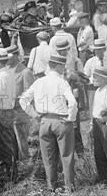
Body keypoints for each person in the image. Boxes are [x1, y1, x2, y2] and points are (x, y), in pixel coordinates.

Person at [19, 54, 77, 193]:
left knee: (48, 157)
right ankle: (69, 188)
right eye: (62, 66)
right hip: (61, 121)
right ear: (58, 66)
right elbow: (73, 102)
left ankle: (52, 187)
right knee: (66, 156)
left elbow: (23, 100)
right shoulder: (61, 82)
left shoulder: (39, 82)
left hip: (44, 122)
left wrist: (35, 115)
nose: (63, 68)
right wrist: (70, 118)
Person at [0, 47, 18, 181]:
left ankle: (9, 173)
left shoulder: (2, 76)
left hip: (2, 111)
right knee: (8, 140)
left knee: (4, 142)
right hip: (8, 110)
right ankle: (10, 170)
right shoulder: (9, 72)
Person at [7, 45, 34, 162]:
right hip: (7, 112)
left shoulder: (25, 72)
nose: (6, 60)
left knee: (21, 141)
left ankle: (25, 164)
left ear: (16, 56)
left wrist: (16, 101)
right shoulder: (5, 70)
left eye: (9, 57)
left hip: (20, 113)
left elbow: (29, 93)